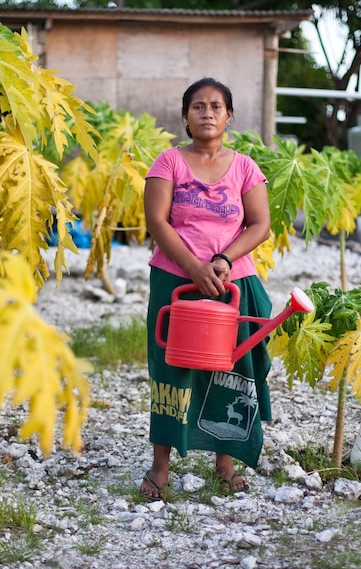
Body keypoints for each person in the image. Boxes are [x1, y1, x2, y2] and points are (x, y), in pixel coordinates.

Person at [141, 77, 273, 500]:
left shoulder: (245, 166)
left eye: (216, 106)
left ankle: (225, 462)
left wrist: (222, 261)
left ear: (229, 115)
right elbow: (158, 222)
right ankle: (161, 465)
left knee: (231, 372)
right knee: (170, 369)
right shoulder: (169, 162)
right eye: (198, 106)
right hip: (176, 280)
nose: (208, 113)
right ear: (185, 116)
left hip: (233, 282)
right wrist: (194, 267)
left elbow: (260, 224)